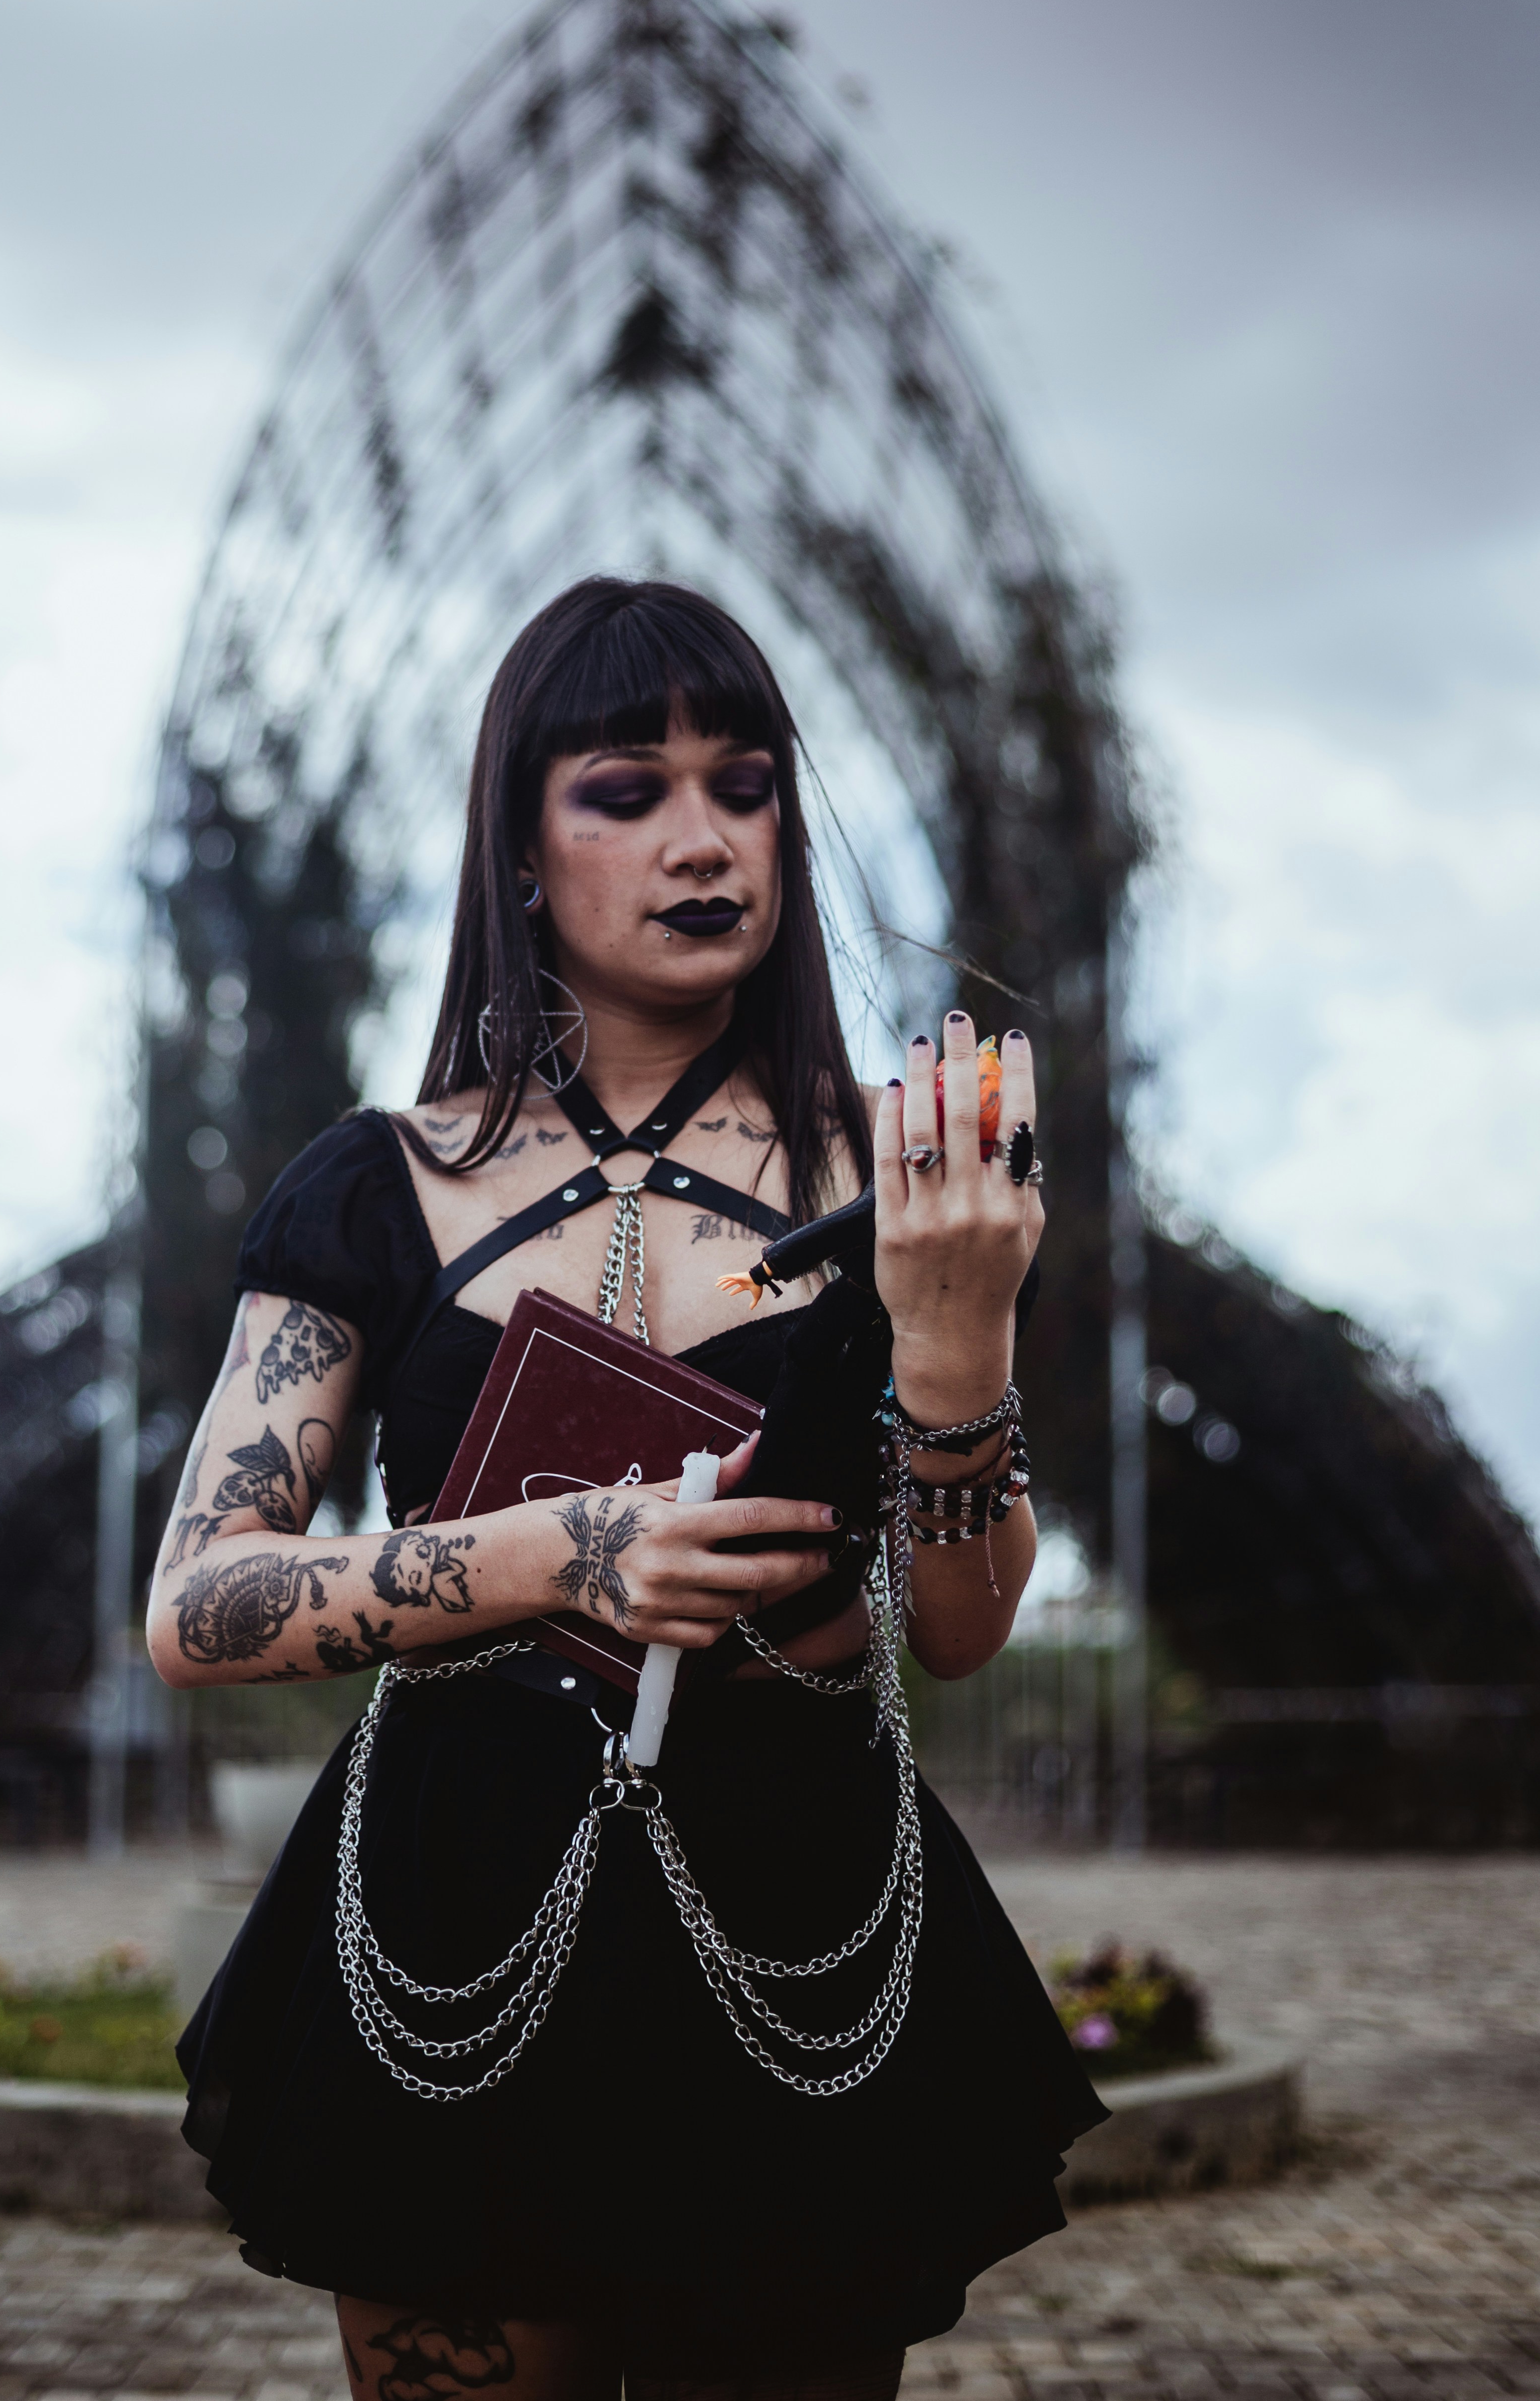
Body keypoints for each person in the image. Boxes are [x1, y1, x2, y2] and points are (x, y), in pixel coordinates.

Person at [149, 576, 1105, 2401]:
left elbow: (966, 1632)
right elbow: (199, 1601)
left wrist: (962, 1341)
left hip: (801, 1900)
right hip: (455, 1902)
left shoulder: (904, 1168)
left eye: (741, 785)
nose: (700, 837)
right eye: (624, 790)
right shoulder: (380, 1183)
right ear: (521, 843)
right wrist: (554, 1551)